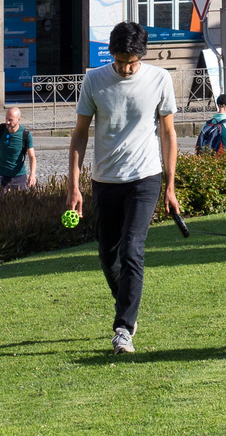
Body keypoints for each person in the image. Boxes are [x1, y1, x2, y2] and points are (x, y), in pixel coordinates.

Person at [68, 22, 180, 355]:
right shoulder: (94, 79)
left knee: (132, 248)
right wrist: (73, 187)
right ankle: (128, 307)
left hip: (146, 177)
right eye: (119, 61)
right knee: (108, 256)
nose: (125, 68)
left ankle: (123, 329)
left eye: (131, 62)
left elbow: (169, 133)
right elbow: (79, 134)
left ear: (141, 56)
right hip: (106, 180)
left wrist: (171, 186)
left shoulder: (159, 79)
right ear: (111, 54)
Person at [0, 105, 36, 190]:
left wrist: (32, 175)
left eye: (10, 120)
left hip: (19, 176)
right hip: (1, 175)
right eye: (6, 119)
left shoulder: (25, 134)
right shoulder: (0, 129)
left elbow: (32, 157)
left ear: (18, 120)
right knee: (0, 202)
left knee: (22, 202)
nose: (7, 122)